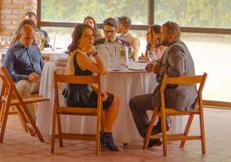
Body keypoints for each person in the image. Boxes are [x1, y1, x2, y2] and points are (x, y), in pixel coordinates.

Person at [129, 21, 197, 148]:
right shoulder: (181, 46)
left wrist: (158, 70)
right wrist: (156, 63)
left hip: (174, 98)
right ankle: (158, 129)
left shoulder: (175, 49)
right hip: (190, 97)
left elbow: (177, 70)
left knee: (134, 102)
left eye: (162, 34)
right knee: (152, 95)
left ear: (171, 36)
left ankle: (150, 134)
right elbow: (170, 63)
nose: (160, 36)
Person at [65, 23, 120, 151]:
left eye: (92, 36)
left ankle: (105, 134)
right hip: (79, 99)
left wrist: (99, 90)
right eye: (86, 36)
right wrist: (95, 54)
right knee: (115, 100)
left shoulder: (76, 53)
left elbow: (84, 80)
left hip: (74, 96)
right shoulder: (80, 56)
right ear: (78, 38)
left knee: (105, 100)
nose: (91, 39)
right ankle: (107, 135)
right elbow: (104, 70)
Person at [3, 22, 44, 118]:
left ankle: (49, 121)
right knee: (22, 87)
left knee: (58, 83)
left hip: (40, 80)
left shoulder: (35, 48)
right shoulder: (12, 51)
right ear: (19, 35)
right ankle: (33, 122)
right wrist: (28, 77)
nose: (30, 41)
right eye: (27, 38)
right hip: (25, 81)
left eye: (32, 38)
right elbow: (8, 75)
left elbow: (43, 66)